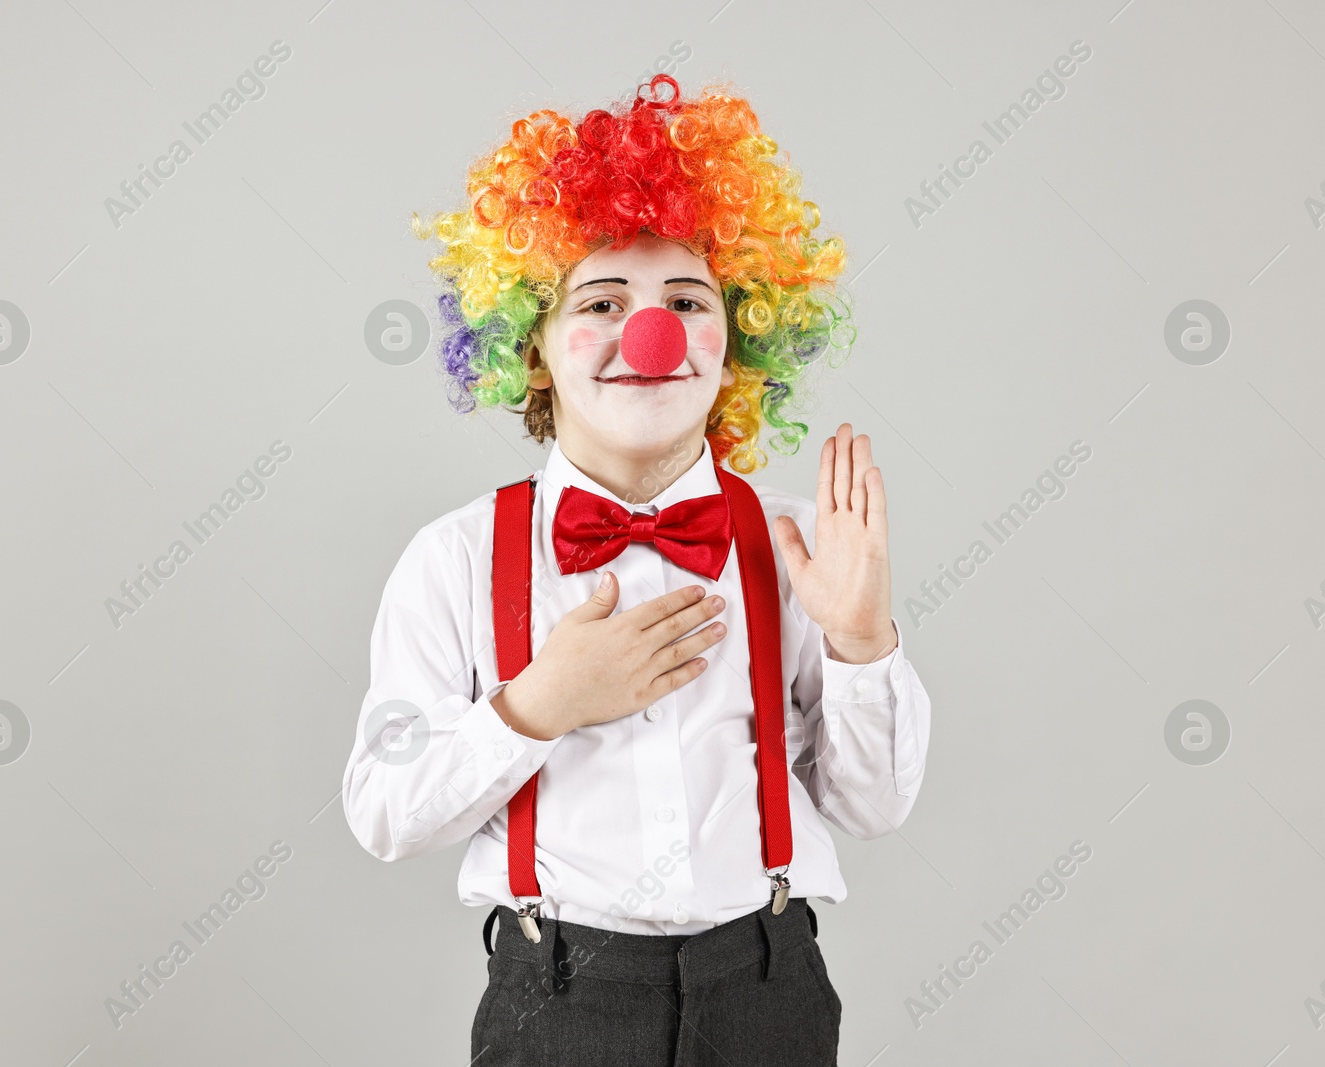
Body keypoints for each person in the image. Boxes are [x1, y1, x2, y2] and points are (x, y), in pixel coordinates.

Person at [343, 74, 931, 1066]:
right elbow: (383, 809)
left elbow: (872, 805)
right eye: (602, 301)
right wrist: (538, 702)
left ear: (737, 338)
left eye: (686, 300)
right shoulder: (453, 558)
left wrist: (860, 641)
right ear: (530, 348)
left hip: (767, 991)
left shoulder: (797, 542)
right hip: (558, 1001)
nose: (646, 334)